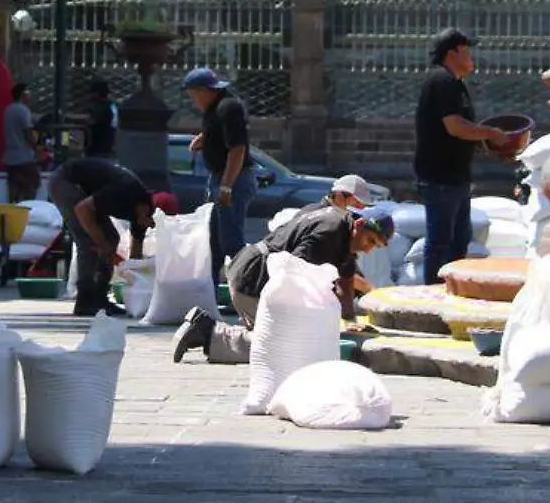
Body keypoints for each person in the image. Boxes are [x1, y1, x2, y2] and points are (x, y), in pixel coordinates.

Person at [172, 204, 396, 364]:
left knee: (294, 335)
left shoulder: (342, 227)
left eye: (374, 246)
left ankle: (222, 329)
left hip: (252, 272)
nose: (368, 249)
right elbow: (293, 272)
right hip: (253, 280)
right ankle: (207, 332)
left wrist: (348, 320)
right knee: (293, 347)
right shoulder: (329, 232)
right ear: (359, 224)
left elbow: (346, 277)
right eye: (370, 241)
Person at [414, 29, 521, 285]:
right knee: (440, 242)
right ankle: (432, 295)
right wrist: (490, 133)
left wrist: (490, 144)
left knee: (459, 241)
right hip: (440, 177)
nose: (471, 56)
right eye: (467, 50)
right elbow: (455, 126)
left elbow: (462, 131)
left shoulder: (456, 84)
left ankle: (450, 290)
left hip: (457, 178)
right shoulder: (441, 81)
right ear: (452, 53)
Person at [48, 156, 154, 318]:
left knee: (111, 238)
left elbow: (135, 257)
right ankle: (85, 299)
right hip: (67, 181)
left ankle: (100, 297)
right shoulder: (126, 190)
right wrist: (101, 244)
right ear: (146, 206)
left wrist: (137, 281)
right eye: (149, 220)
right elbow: (82, 210)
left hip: (88, 191)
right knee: (89, 241)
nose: (148, 225)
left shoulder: (142, 215)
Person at [184, 67, 253, 283]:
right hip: (219, 178)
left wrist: (226, 186)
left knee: (231, 242)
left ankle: (249, 290)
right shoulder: (216, 108)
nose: (193, 101)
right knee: (212, 243)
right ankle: (209, 297)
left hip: (233, 179)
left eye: (193, 96)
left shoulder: (228, 107)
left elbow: (237, 148)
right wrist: (204, 138)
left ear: (204, 91)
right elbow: (220, 130)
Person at [3, 83, 40, 202]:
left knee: (13, 192)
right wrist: (37, 148)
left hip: (10, 157)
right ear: (23, 94)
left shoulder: (8, 109)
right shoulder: (23, 110)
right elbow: (28, 133)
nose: (31, 96)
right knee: (31, 187)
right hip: (24, 157)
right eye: (28, 93)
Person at [86, 79, 119, 158]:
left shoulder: (101, 107)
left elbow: (91, 121)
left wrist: (69, 119)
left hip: (99, 147)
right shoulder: (113, 106)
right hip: (110, 144)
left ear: (97, 93)